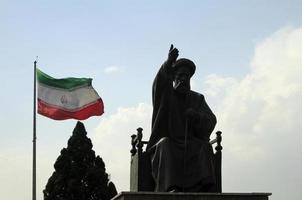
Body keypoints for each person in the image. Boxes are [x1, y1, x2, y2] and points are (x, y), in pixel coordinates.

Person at [146, 45, 217, 192]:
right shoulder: (166, 94)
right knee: (165, 144)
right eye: (180, 75)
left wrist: (196, 116)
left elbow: (211, 119)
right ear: (173, 77)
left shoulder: (197, 98)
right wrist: (168, 62)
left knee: (204, 147)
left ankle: (206, 187)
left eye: (186, 76)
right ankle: (171, 187)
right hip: (169, 141)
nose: (183, 79)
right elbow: (158, 84)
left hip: (190, 142)